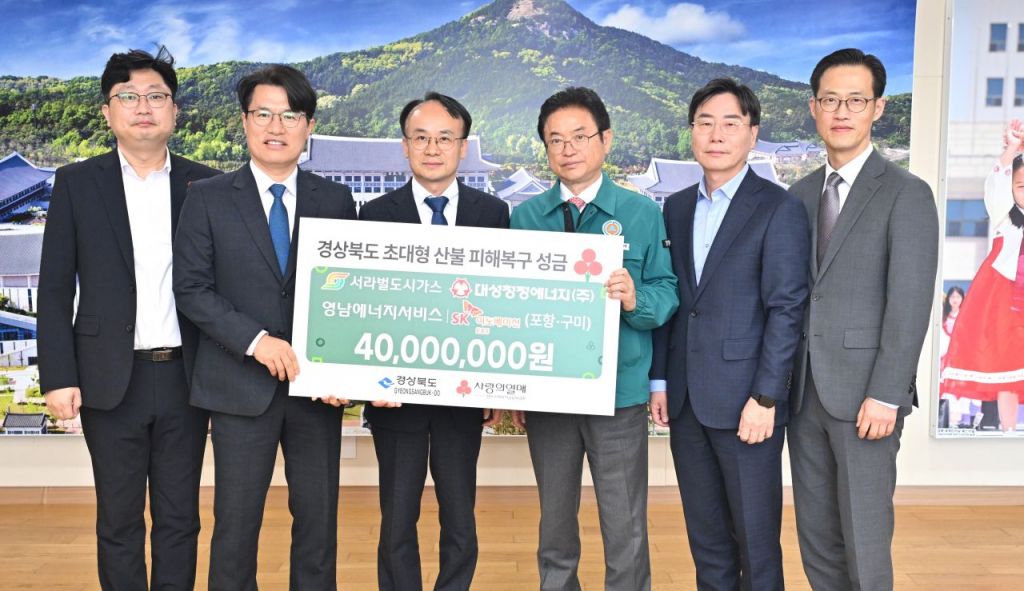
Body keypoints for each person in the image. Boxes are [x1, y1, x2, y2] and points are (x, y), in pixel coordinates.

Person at [37, 46, 219, 590]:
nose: (143, 107)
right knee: (118, 520)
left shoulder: (208, 185)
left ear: (175, 111)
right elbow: (54, 288)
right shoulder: (76, 182)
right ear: (107, 111)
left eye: (156, 96)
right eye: (129, 97)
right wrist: (58, 376)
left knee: (180, 518)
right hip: (108, 378)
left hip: (186, 376)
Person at [173, 64, 356, 590]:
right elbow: (191, 288)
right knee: (235, 527)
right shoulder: (207, 196)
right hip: (238, 387)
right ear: (244, 122)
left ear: (310, 126)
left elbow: (348, 293)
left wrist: (342, 368)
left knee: (318, 525)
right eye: (263, 114)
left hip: (315, 390)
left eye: (290, 115)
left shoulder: (335, 200)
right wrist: (256, 342)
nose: (276, 127)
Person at [509, 86, 678, 590]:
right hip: (548, 391)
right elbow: (509, 306)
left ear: (605, 139)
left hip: (618, 393)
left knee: (625, 522)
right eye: (555, 140)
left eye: (580, 136)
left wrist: (634, 298)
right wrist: (512, 384)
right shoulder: (525, 217)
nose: (568, 149)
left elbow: (667, 292)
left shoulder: (641, 212)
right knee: (555, 521)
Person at [787, 48, 939, 591]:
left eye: (856, 100)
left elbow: (910, 302)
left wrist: (887, 393)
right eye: (830, 100)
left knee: (865, 536)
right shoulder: (799, 194)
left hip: (866, 398)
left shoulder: (907, 193)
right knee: (817, 536)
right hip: (803, 393)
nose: (842, 111)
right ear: (813, 107)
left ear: (878, 108)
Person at [650, 78, 809, 591]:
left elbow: (787, 310)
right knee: (708, 542)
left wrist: (766, 397)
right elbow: (674, 300)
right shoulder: (675, 207)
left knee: (756, 545)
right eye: (705, 123)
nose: (716, 135)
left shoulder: (778, 207)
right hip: (686, 400)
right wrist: (660, 380)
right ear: (691, 132)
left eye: (730, 123)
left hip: (748, 404)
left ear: (752, 134)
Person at [358, 92, 510, 591]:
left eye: (445, 138)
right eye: (420, 138)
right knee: (396, 518)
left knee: (460, 517)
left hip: (461, 396)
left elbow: (499, 304)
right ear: (405, 146)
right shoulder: (374, 215)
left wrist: (494, 383)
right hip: (393, 395)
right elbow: (363, 304)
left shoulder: (494, 213)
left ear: (463, 146)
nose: (432, 148)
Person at [941, 120, 1024, 433]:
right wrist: (1011, 149)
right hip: (1005, 296)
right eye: (1021, 186)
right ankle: (1007, 430)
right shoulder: (1006, 218)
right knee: (1007, 367)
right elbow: (997, 182)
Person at [937, 286, 973, 428]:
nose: (955, 300)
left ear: (963, 299)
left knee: (961, 390)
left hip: (962, 359)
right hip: (946, 359)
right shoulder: (942, 317)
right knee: (947, 389)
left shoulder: (967, 316)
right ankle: (948, 419)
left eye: (958, 297)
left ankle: (960, 422)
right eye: (952, 297)